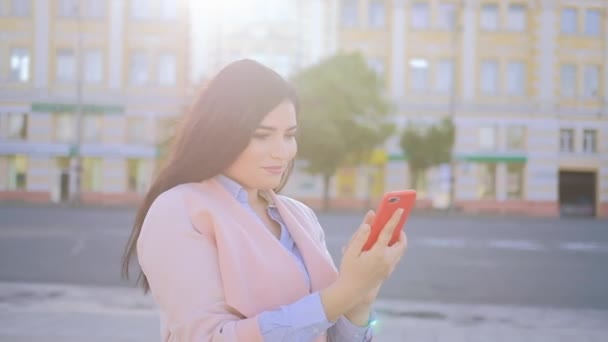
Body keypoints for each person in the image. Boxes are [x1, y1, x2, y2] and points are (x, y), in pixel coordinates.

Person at [122, 59, 407, 342]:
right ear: (219, 133)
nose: (282, 152)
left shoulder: (300, 216)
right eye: (262, 135)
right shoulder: (179, 208)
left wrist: (358, 301)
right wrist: (343, 292)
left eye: (290, 135)